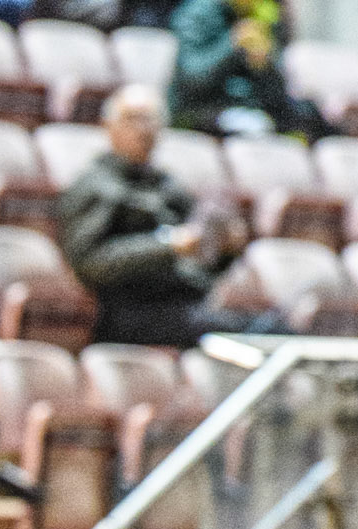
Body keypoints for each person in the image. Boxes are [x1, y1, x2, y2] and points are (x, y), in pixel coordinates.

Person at [60, 82, 251, 347]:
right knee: (258, 333)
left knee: (271, 328)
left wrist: (225, 249)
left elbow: (200, 268)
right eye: (133, 119)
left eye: (151, 119)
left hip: (182, 306)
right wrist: (167, 245)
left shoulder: (168, 186)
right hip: (129, 312)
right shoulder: (96, 185)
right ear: (108, 126)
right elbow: (88, 263)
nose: (143, 128)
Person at [167, 0, 329, 140]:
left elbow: (278, 96)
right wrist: (232, 45)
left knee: (311, 117)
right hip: (202, 111)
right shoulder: (197, 14)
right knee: (254, 127)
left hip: (251, 108)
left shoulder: (264, 15)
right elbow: (192, 80)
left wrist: (264, 66)